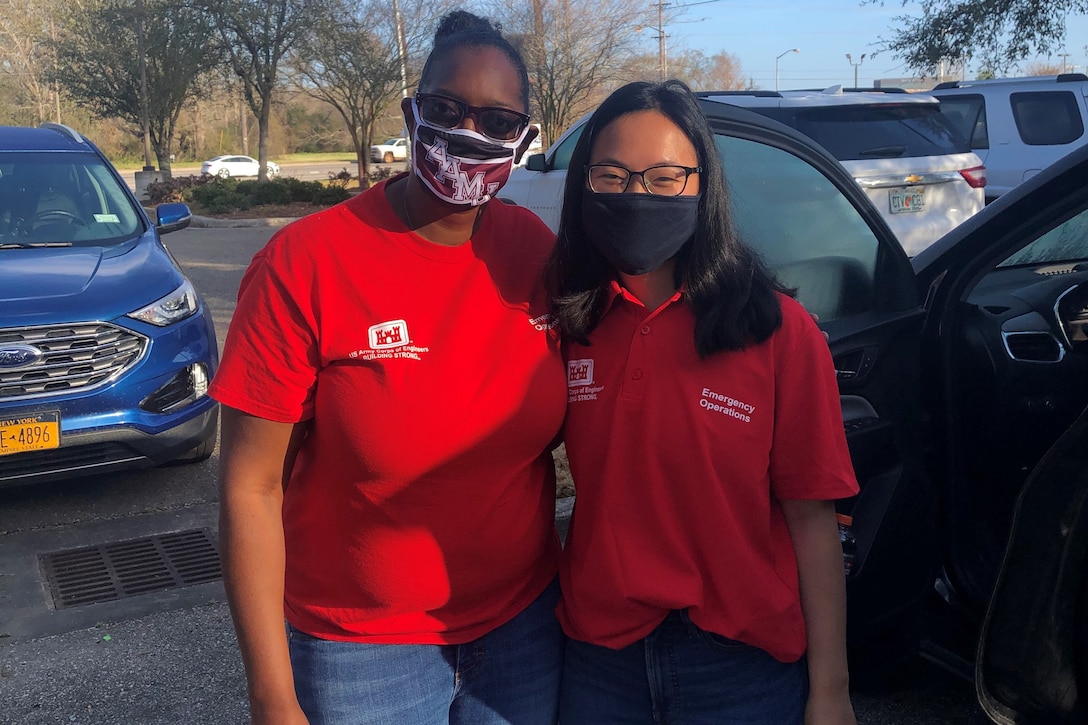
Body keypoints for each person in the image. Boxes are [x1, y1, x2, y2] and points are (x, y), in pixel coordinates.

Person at [210, 11, 566, 725]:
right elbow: (250, 488)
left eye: (497, 121)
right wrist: (271, 696)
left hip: (523, 626)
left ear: (524, 140)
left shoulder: (535, 254)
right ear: (411, 112)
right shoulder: (305, 264)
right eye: (444, 110)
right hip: (361, 651)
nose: (468, 134)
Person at [546, 79, 859, 724]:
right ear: (582, 183)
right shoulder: (567, 322)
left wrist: (832, 690)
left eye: (664, 179)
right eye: (612, 175)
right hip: (601, 661)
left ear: (703, 185)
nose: (637, 196)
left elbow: (811, 520)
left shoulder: (777, 329)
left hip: (739, 665)